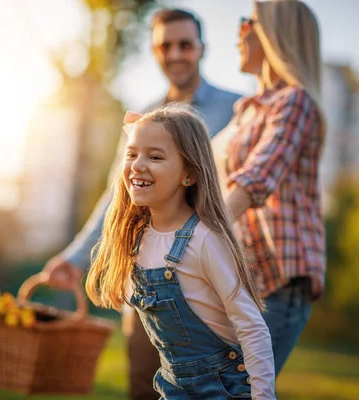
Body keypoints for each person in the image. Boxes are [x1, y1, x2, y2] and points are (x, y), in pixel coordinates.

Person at [41, 8, 241, 399]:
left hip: (208, 281)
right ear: (154, 51)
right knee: (144, 387)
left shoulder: (235, 110)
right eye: (166, 45)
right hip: (147, 278)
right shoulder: (142, 119)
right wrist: (73, 258)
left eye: (185, 44)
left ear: (202, 48)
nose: (176, 53)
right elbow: (117, 196)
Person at [86, 106, 276, 400]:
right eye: (132, 153)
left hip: (224, 390)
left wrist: (264, 397)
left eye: (155, 156)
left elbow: (252, 328)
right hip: (173, 388)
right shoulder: (136, 238)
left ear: (188, 175)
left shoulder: (204, 240)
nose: (137, 165)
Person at [215, 0, 326, 378]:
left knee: (239, 389)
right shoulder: (246, 110)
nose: (240, 30)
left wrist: (197, 232)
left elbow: (257, 175)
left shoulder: (295, 102)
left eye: (250, 21)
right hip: (244, 277)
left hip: (279, 280)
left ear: (275, 35)